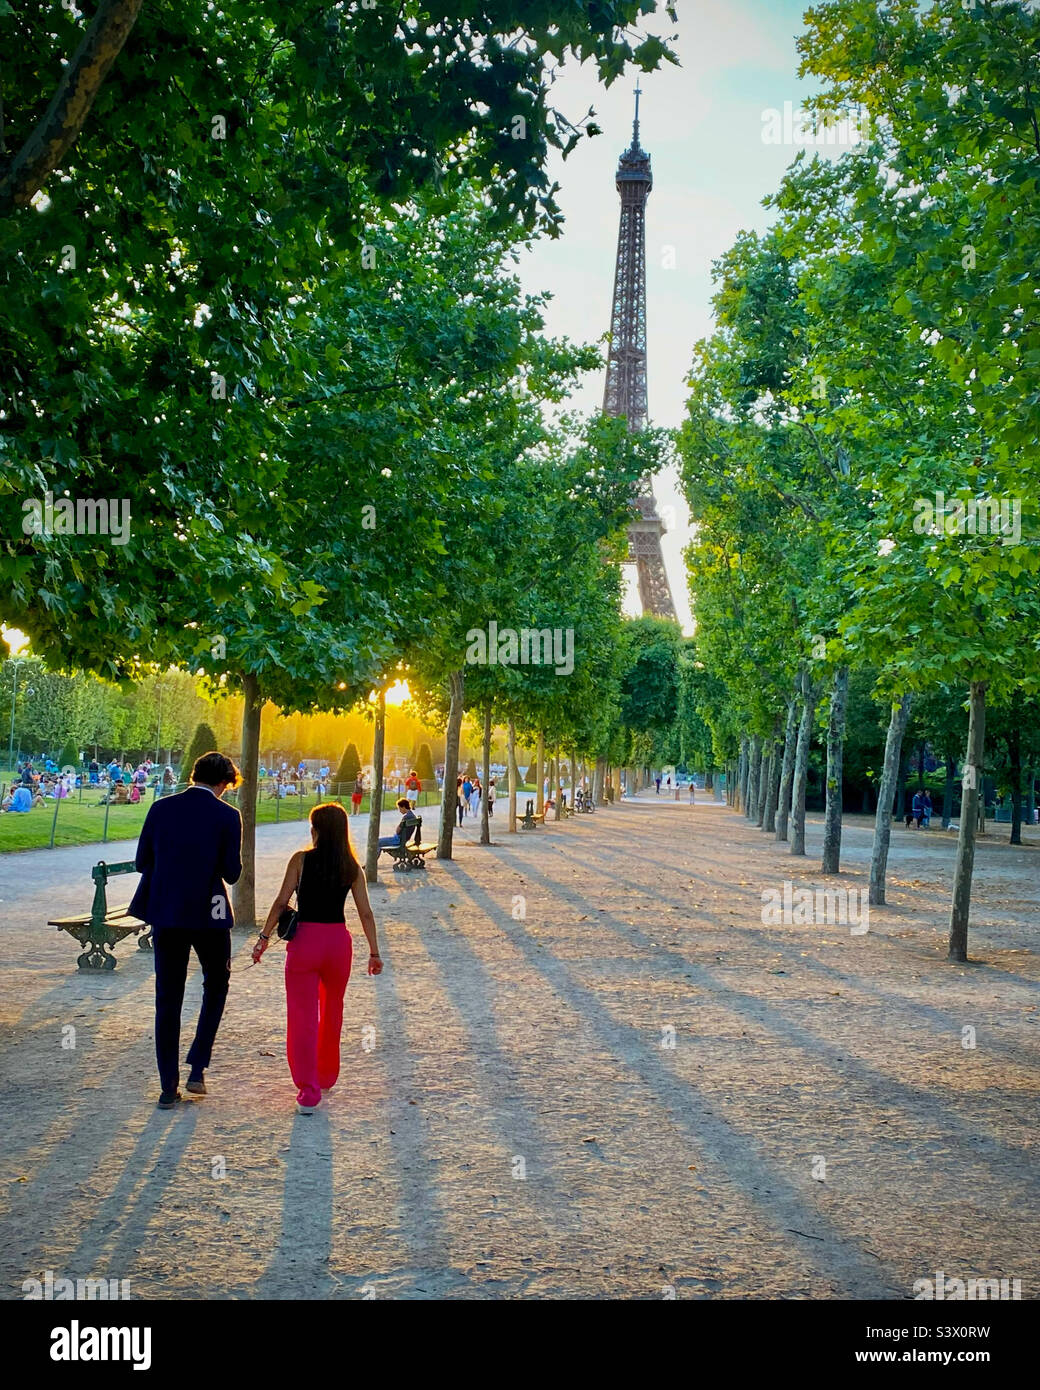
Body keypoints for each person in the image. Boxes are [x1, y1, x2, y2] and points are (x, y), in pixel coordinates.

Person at [128, 751, 243, 1110]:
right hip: (210, 913)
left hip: (167, 912)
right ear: (224, 782)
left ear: (194, 774)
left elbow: (142, 861)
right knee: (216, 984)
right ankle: (197, 1064)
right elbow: (232, 873)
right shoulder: (228, 815)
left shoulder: (161, 808)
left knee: (168, 998)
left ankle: (167, 1086)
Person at [254, 802, 382, 1113]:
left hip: (306, 943)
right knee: (332, 1011)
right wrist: (374, 952)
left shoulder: (300, 861)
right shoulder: (351, 866)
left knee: (302, 1016)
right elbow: (365, 913)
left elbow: (281, 902)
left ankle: (309, 1089)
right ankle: (326, 1074)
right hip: (338, 943)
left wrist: (263, 938)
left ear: (316, 830)